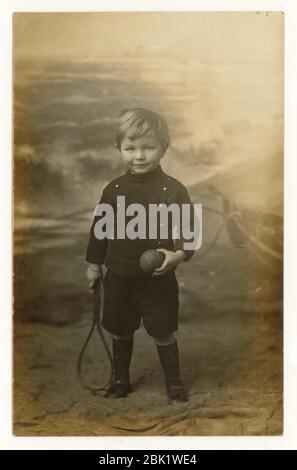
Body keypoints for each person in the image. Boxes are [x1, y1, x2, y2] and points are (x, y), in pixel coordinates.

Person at [86, 108, 196, 402]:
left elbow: (188, 230)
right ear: (119, 149)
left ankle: (173, 382)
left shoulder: (173, 189)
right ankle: (120, 379)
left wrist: (179, 255)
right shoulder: (114, 189)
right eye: (130, 148)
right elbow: (100, 230)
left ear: (163, 149)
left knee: (162, 330)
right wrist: (94, 265)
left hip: (158, 279)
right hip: (119, 277)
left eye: (148, 147)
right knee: (121, 329)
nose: (139, 155)